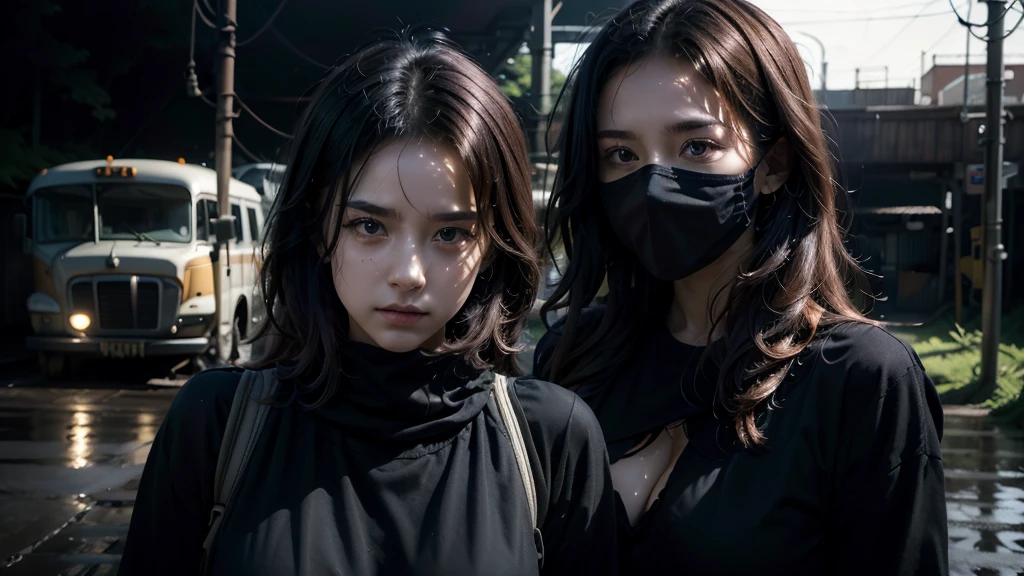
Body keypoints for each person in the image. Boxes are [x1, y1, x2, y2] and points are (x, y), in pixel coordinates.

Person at [120, 29, 616, 576]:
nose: (407, 274)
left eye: (451, 234)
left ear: (495, 246)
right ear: (316, 225)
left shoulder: (551, 438)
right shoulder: (216, 423)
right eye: (369, 225)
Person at [533, 1, 947, 574]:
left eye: (697, 146)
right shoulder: (573, 356)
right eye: (621, 154)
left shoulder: (861, 380)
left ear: (773, 162)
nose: (654, 183)